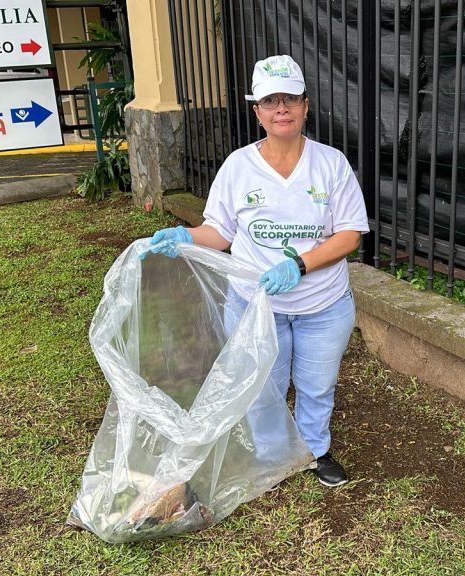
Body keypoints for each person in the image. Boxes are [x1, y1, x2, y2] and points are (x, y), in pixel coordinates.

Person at [143, 54, 368, 488]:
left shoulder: (331, 164)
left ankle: (314, 450)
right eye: (270, 100)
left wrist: (299, 264)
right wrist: (187, 237)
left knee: (316, 384)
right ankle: (272, 454)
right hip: (255, 304)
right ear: (257, 112)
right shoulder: (238, 167)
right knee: (262, 387)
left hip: (322, 303)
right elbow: (219, 232)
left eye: (289, 98)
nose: (280, 108)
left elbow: (349, 235)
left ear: (305, 105)